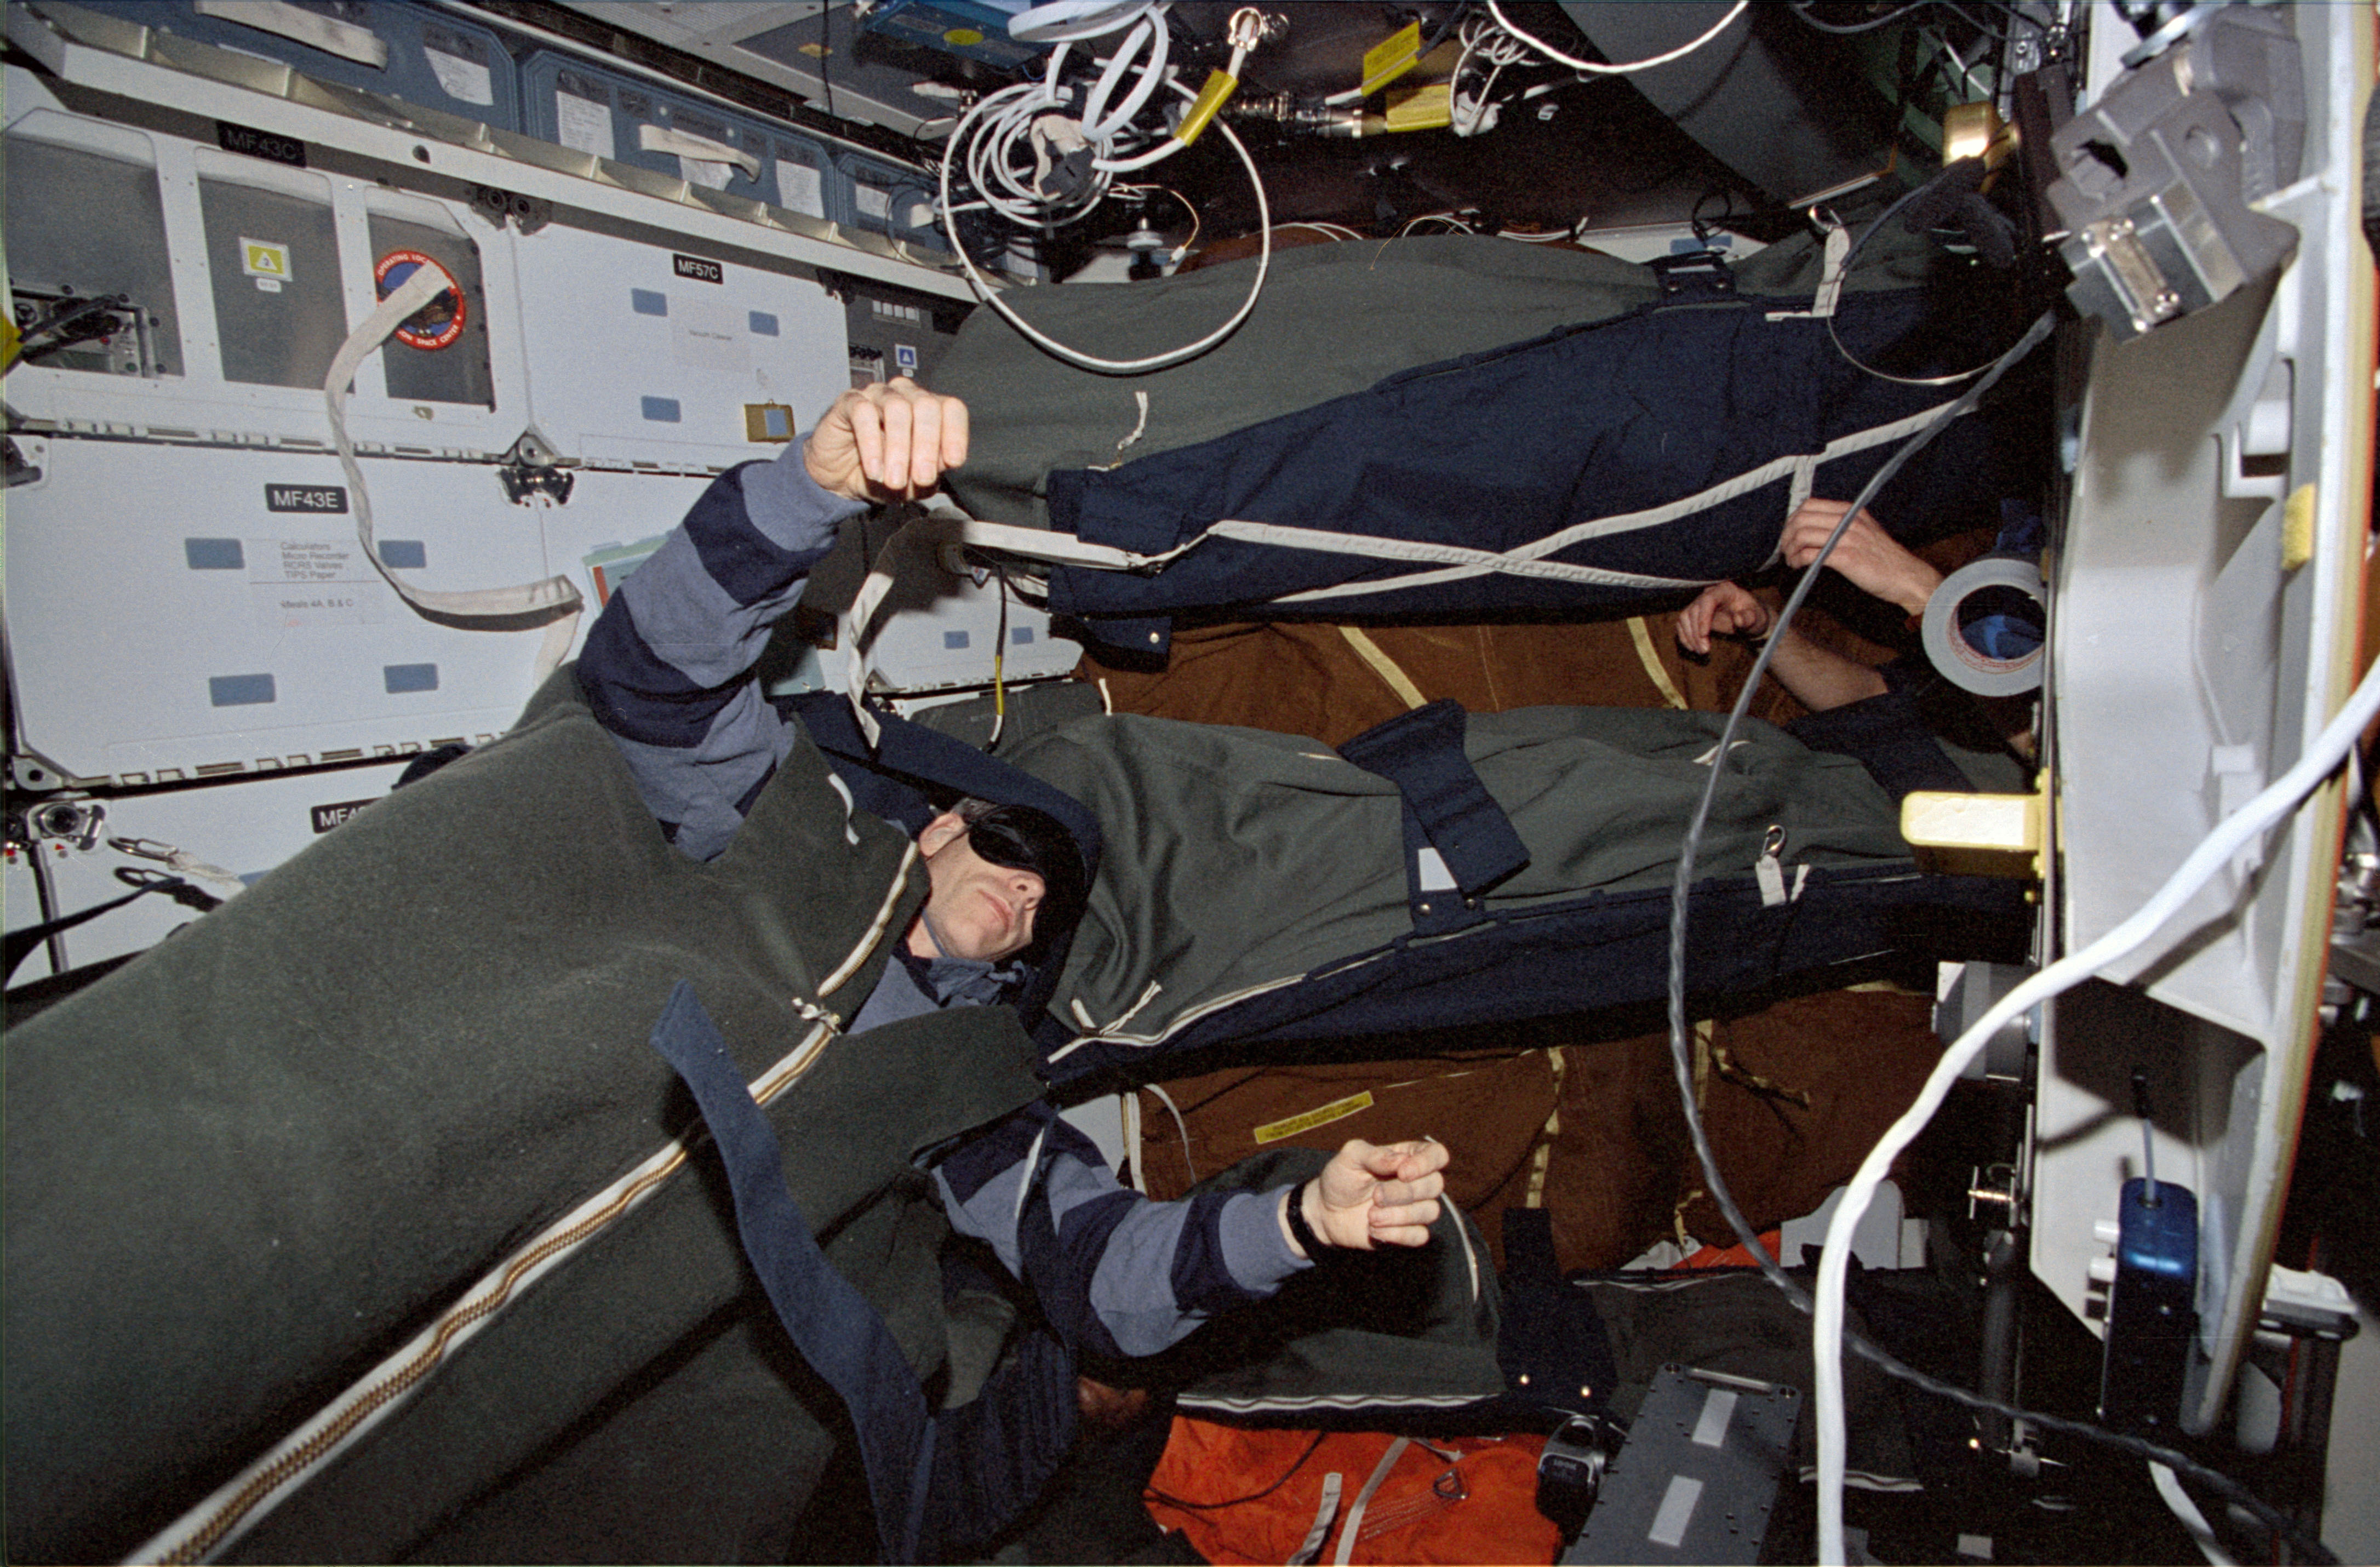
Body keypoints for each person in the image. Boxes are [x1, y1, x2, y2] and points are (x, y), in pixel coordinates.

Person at [575, 373, 1452, 1353]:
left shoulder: (965, 1078)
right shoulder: (791, 835)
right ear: (940, 829)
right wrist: (808, 491)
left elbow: (1099, 1275)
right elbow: (646, 685)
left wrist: (1292, 1225)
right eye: (1018, 849)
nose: (1033, 888)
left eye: (1049, 905)